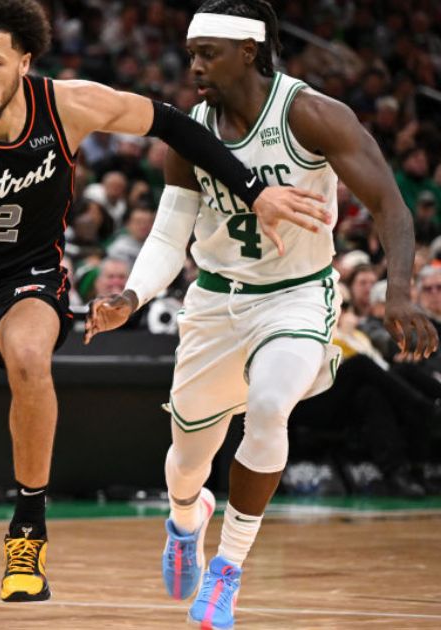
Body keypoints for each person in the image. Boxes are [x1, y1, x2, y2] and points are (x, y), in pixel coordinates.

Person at [0, 0, 325, 621]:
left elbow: (176, 124)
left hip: (29, 275)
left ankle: (27, 534)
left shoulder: (67, 104)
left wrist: (254, 191)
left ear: (24, 59)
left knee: (27, 356)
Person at [85, 2, 438, 627]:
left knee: (272, 406)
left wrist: (400, 288)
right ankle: (185, 522)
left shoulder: (311, 115)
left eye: (207, 53)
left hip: (297, 294)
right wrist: (131, 296)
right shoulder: (190, 130)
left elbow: (389, 203)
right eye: (190, 52)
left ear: (248, 52)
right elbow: (170, 237)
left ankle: (228, 570)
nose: (193, 64)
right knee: (187, 463)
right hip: (214, 303)